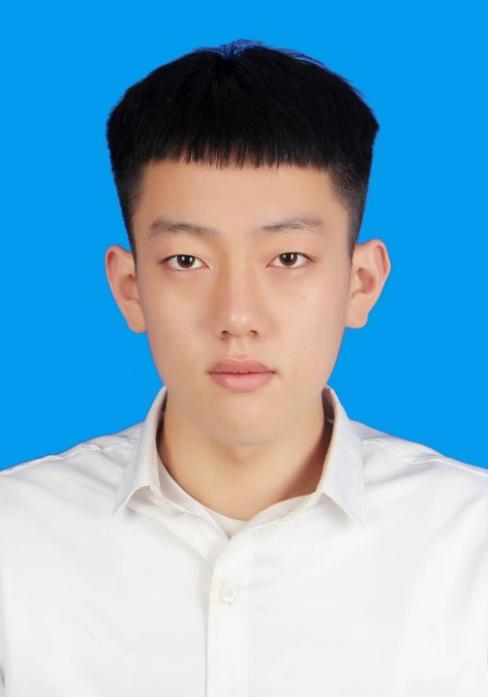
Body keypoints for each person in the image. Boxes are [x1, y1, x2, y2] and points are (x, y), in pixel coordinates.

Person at [0, 38, 486, 696]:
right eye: (187, 261)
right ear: (130, 288)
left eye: (288, 258)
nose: (237, 315)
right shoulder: (14, 540)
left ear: (361, 282)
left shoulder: (471, 544)